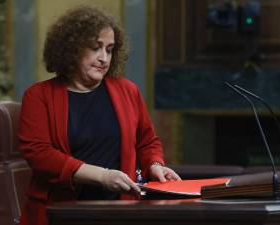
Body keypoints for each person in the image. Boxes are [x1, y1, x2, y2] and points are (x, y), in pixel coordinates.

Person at [17, 6, 181, 225]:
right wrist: (102, 176)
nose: (104, 58)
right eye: (95, 48)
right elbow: (39, 154)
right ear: (71, 49)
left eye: (110, 49)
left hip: (119, 211)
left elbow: (147, 141)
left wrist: (155, 166)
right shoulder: (38, 95)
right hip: (59, 213)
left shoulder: (127, 90)